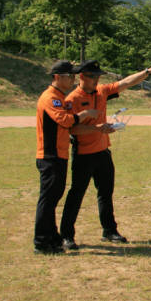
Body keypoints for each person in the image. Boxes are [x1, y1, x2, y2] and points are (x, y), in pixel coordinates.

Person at [60, 59, 151, 250]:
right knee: (76, 194)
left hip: (103, 153)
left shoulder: (101, 92)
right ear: (83, 77)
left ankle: (109, 230)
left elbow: (125, 83)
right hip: (84, 154)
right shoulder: (72, 99)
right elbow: (72, 130)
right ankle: (66, 235)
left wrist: (148, 72)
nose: (97, 80)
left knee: (106, 193)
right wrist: (97, 128)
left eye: (99, 77)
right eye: (94, 77)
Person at [34, 60, 99, 254]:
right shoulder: (50, 98)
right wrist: (84, 114)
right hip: (50, 155)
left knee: (54, 197)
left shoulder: (59, 97)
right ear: (56, 77)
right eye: (68, 76)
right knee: (48, 199)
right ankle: (42, 241)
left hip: (59, 154)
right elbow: (64, 120)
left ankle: (52, 237)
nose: (72, 79)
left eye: (73, 76)